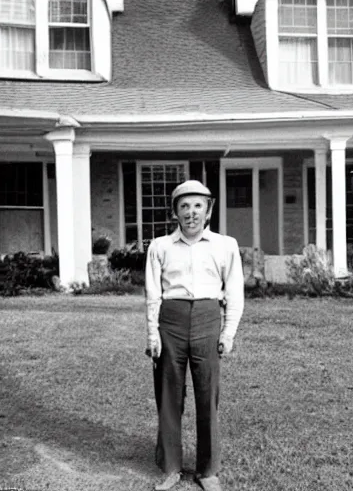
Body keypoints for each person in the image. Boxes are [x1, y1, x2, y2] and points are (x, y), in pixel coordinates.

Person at [145, 180, 244, 491]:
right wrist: (153, 334)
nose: (191, 213)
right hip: (170, 322)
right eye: (184, 206)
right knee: (169, 394)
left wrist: (228, 332)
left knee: (207, 394)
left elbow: (235, 292)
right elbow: (152, 295)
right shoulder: (159, 246)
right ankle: (171, 467)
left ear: (208, 210)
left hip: (207, 319)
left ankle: (207, 470)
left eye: (198, 205)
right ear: (175, 212)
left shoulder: (226, 245)